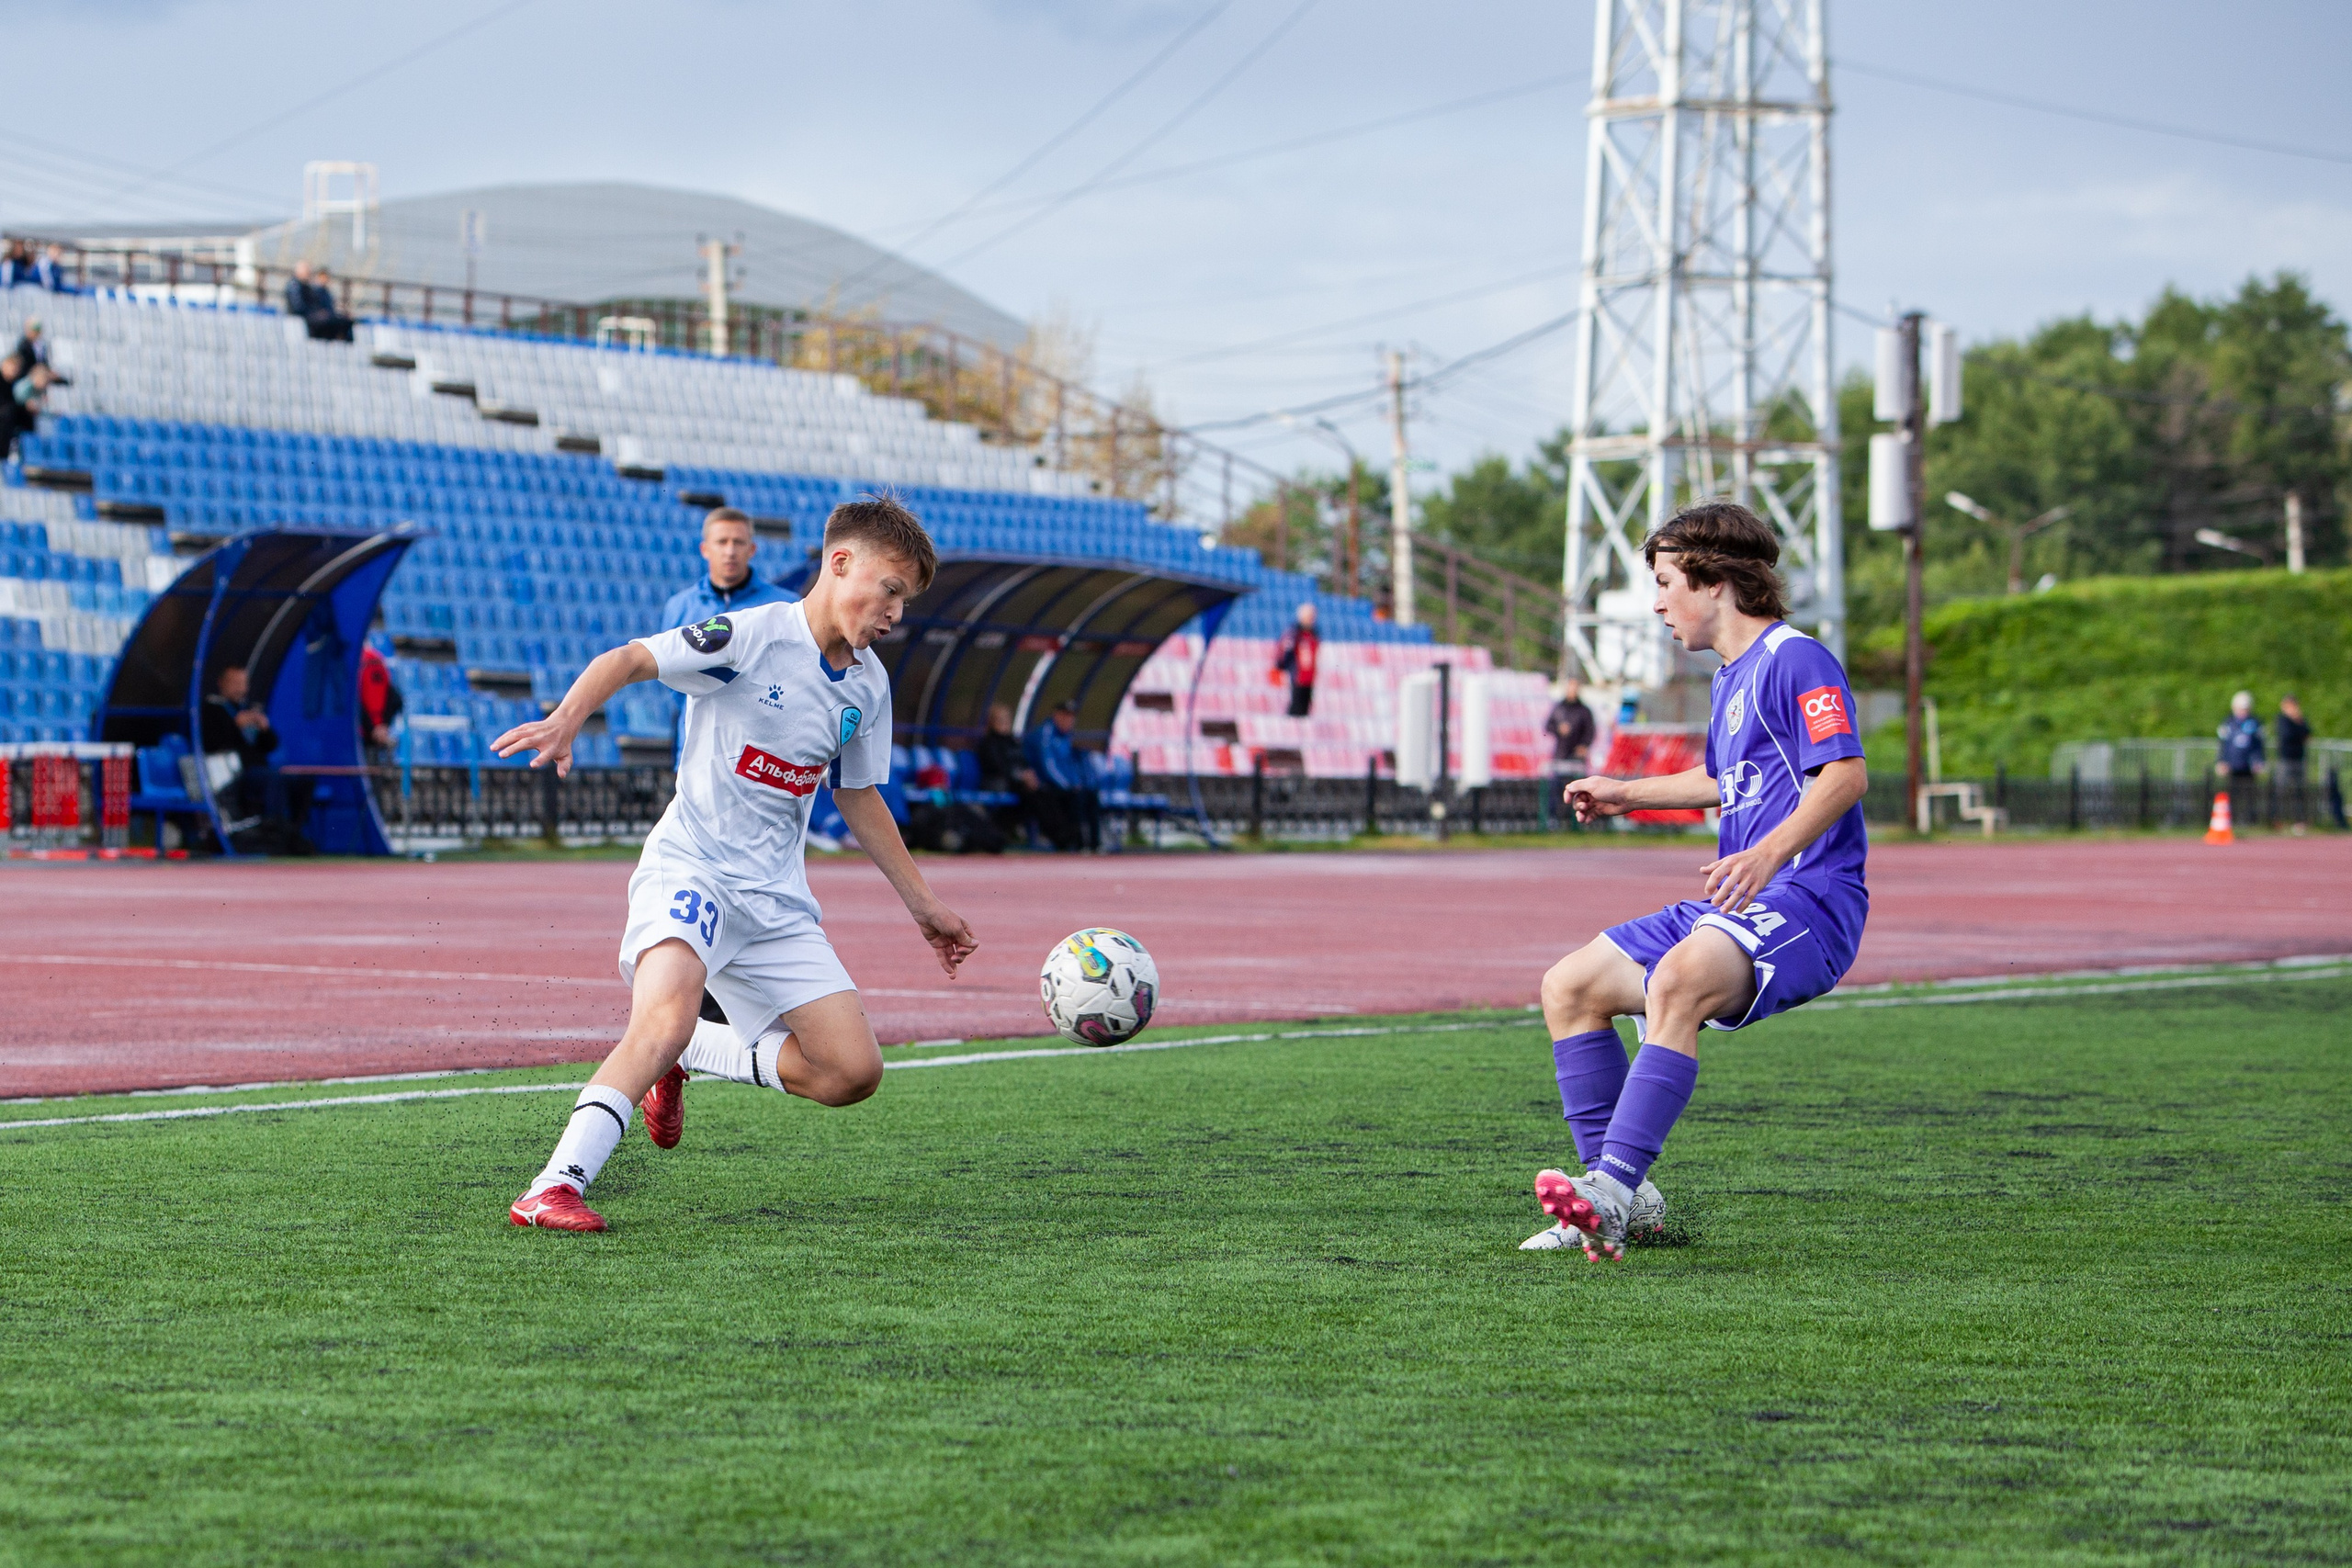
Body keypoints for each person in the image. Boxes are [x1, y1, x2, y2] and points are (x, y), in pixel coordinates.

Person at [493, 493, 977, 1233]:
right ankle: (554, 1185)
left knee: (852, 1072)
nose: (894, 614)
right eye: (891, 590)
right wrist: (567, 719)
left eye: (904, 601)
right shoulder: (750, 636)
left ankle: (695, 1054)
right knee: (660, 1019)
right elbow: (629, 658)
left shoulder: (869, 686)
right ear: (841, 563)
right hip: (693, 869)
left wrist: (924, 904)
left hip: (776, 902)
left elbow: (859, 796)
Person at [1524, 502, 1870, 1261]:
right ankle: (1627, 1199)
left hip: (1811, 899)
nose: (1657, 602)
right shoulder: (1729, 678)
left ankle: (1609, 1191)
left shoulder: (1795, 657)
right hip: (1740, 897)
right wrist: (1625, 791)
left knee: (1675, 982)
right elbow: (1724, 778)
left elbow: (1844, 772)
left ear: (1714, 582)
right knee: (1569, 986)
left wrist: (1768, 852)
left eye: (1665, 580)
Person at [658, 506, 798, 628]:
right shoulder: (679, 607)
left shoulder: (785, 606)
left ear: (752, 549)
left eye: (738, 542)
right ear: (704, 549)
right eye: (722, 542)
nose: (730, 552)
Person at [198, 664, 279, 823]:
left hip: (258, 768)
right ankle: (273, 831)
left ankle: (293, 831)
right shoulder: (211, 710)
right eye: (234, 683)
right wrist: (236, 726)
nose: (239, 688)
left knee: (300, 781)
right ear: (221, 683)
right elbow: (214, 745)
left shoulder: (247, 709)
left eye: (243, 683)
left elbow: (270, 746)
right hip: (234, 774)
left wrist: (264, 728)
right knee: (272, 780)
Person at [976, 700, 1062, 847]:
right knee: (1033, 797)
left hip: (1019, 784)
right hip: (1001, 783)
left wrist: (1028, 774)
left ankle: (1060, 834)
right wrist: (1021, 777)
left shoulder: (1013, 742)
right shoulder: (989, 743)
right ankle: (1055, 836)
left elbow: (1023, 762)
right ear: (992, 722)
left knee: (1045, 793)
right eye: (1000, 720)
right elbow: (998, 767)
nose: (1005, 723)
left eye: (1007, 719)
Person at [1026, 699, 1099, 852]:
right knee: (1076, 798)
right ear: (1056, 715)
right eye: (1065, 715)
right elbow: (1048, 766)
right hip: (1047, 785)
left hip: (1066, 784)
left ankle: (1095, 844)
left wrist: (1080, 783)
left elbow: (1071, 764)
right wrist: (1068, 785)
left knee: (1091, 794)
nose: (1069, 720)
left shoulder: (1066, 736)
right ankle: (1078, 843)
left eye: (1072, 716)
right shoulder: (1045, 733)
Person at [1542, 677, 1597, 830]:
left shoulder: (1584, 711)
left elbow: (1590, 732)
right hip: (1561, 754)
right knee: (1555, 788)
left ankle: (1579, 821)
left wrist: (1584, 746)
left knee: (1580, 790)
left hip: (1576, 757)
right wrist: (1559, 729)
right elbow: (1548, 726)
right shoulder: (1559, 708)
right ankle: (1553, 819)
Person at [2216, 690, 2266, 827]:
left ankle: (2249, 820)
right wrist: (2221, 761)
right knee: (2232, 793)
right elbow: (2223, 744)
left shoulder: (2255, 723)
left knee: (2250, 793)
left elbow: (2259, 745)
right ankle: (2231, 820)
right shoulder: (2228, 723)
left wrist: (2259, 761)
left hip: (2248, 764)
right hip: (2233, 764)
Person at [358, 643, 405, 759]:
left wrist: (374, 728)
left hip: (361, 734)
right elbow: (396, 700)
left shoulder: (358, 662)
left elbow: (353, 703)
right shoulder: (378, 659)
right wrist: (383, 726)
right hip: (377, 734)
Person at [1273, 602, 1318, 718]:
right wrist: (1280, 667)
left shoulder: (1314, 633)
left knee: (1305, 708)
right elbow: (1285, 650)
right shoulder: (1295, 632)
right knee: (1295, 707)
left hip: (1309, 676)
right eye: (1310, 616)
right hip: (1297, 675)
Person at [2276, 694, 2310, 836]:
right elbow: (2288, 735)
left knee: (2299, 791)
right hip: (2285, 759)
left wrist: (2298, 721)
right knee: (2281, 790)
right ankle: (2277, 820)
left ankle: (2299, 821)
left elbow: (2307, 734)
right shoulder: (2282, 720)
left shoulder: (2300, 719)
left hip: (2299, 759)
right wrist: (2295, 725)